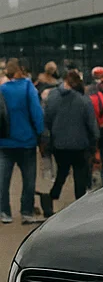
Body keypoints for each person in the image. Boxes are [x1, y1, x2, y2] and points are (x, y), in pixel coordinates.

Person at [42, 69, 99, 214]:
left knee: (62, 172)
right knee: (80, 174)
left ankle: (51, 198)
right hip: (80, 144)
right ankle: (79, 207)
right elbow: (91, 124)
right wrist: (94, 141)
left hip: (59, 144)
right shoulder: (83, 99)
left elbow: (46, 119)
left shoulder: (53, 96)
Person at [0, 58, 45, 224]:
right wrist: (41, 134)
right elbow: (37, 113)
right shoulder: (28, 88)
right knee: (28, 180)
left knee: (3, 180)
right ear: (21, 70)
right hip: (27, 141)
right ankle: (26, 211)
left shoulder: (2, 89)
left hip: (4, 142)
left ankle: (4, 212)